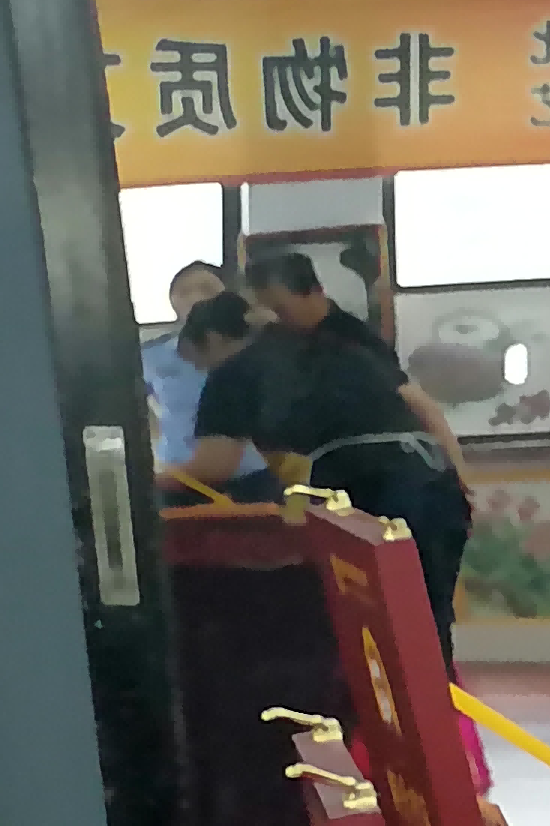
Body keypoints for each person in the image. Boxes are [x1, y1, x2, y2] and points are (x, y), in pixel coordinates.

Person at [164, 250, 474, 635]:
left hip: (369, 491)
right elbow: (418, 404)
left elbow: (216, 466)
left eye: (198, 361)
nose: (202, 372)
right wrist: (460, 474)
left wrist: (145, 478)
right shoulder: (335, 344)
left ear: (212, 340)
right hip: (436, 483)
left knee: (374, 625)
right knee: (426, 619)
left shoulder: (231, 373)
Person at [138, 260, 258, 490]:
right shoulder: (151, 355)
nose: (195, 298)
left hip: (243, 475)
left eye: (206, 288)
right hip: (177, 477)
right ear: (172, 301)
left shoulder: (248, 351)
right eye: (184, 291)